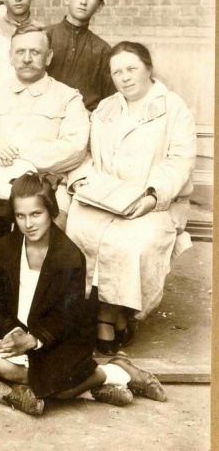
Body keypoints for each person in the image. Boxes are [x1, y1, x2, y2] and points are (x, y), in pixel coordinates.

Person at [0, 173, 165, 417]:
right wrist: (13, 332)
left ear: (51, 212)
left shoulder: (68, 255)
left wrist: (33, 339)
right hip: (19, 332)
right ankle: (93, 385)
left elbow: (67, 315)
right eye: (20, 216)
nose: (29, 224)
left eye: (36, 214)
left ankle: (115, 372)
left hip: (59, 336)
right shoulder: (4, 249)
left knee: (58, 388)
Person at [66, 42, 195, 354]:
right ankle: (107, 313)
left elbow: (179, 160)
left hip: (153, 202)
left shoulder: (173, 108)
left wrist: (152, 196)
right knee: (79, 230)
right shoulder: (106, 108)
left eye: (131, 69)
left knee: (129, 243)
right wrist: (82, 180)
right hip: (104, 198)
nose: (124, 77)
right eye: (117, 72)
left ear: (148, 68)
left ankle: (111, 316)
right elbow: (87, 154)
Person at [0, 23, 88, 256]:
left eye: (35, 52)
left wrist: (20, 157)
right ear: (10, 57)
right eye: (20, 52)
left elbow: (75, 148)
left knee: (54, 227)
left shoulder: (68, 97)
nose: (27, 58)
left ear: (48, 57)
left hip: (47, 185)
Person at [46, 0, 116, 111]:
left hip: (83, 118)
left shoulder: (103, 50)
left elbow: (110, 100)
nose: (83, 1)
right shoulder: (44, 36)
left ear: (100, 6)